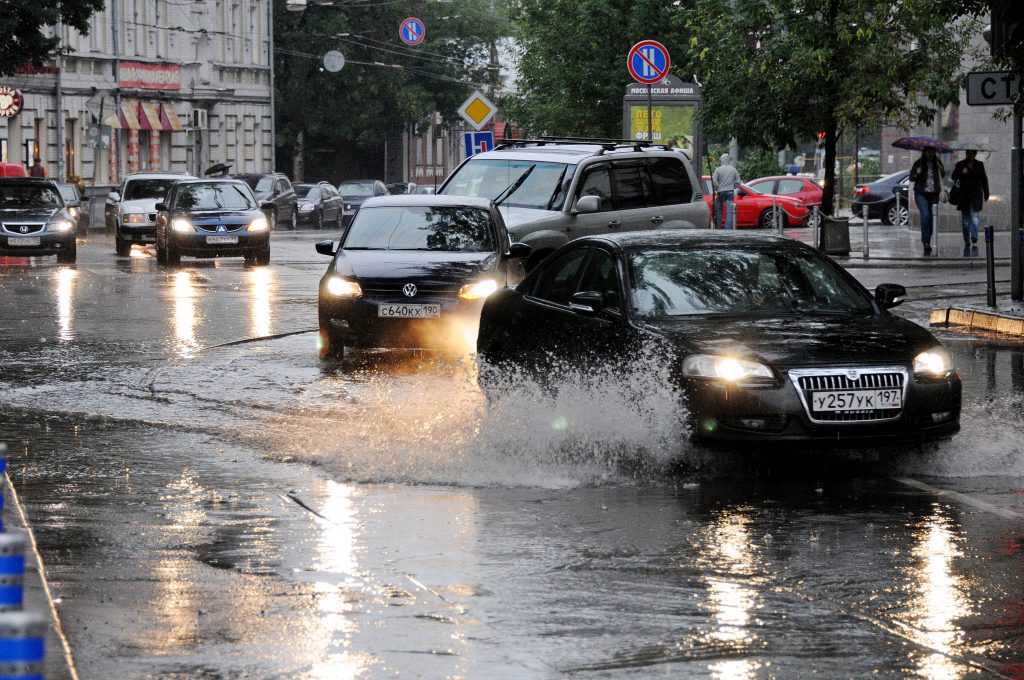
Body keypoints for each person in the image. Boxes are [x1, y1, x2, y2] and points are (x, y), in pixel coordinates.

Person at [950, 149, 990, 257]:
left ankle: (974, 237)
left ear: (975, 154)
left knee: (975, 216)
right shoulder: (960, 164)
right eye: (968, 153)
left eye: (972, 154)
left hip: (976, 195)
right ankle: (967, 239)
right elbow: (953, 177)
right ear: (966, 154)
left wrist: (986, 193)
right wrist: (961, 173)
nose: (970, 156)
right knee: (966, 219)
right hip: (964, 195)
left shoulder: (979, 164)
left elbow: (984, 179)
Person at [910, 146, 945, 256]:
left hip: (934, 194)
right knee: (925, 215)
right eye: (928, 152)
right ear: (924, 152)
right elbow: (912, 177)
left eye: (932, 152)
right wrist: (917, 173)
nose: (930, 154)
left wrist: (941, 169)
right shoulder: (918, 163)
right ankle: (925, 241)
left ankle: (928, 240)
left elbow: (942, 175)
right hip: (921, 193)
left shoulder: (937, 162)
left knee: (932, 218)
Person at [712, 153, 741, 229]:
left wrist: (717, 188)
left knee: (719, 210)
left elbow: (714, 181)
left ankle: (719, 227)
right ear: (728, 160)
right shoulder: (733, 169)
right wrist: (733, 187)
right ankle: (727, 228)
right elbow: (738, 181)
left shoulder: (718, 169)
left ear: (721, 160)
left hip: (720, 192)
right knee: (729, 211)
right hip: (730, 192)